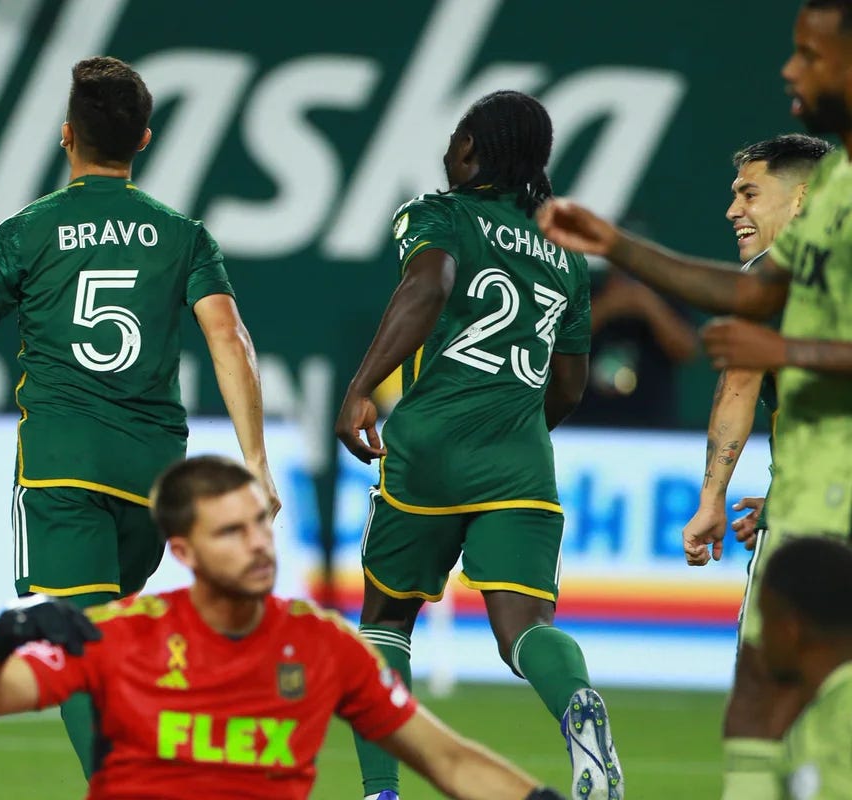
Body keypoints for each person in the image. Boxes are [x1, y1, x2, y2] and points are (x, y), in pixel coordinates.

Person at [0, 56, 280, 775]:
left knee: (77, 640)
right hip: (152, 483)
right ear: (145, 141)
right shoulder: (183, 235)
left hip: (63, 464)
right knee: (105, 636)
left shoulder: (27, 232)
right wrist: (254, 461)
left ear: (67, 136)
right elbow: (231, 340)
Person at [538, 4, 852, 798]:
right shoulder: (836, 197)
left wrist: (785, 352)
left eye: (809, 55)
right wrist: (617, 247)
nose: (790, 71)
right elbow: (750, 302)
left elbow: (761, 342)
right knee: (771, 700)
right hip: (809, 510)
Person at [0, 455, 567, 800]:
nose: (259, 546)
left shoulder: (323, 646)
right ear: (183, 552)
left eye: (261, 524)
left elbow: (450, 762)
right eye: (231, 533)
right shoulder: (123, 634)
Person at [334, 90, 623, 800]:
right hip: (521, 459)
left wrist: (362, 387)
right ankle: (577, 705)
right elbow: (570, 383)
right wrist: (513, 430)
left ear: (469, 149)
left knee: (385, 622)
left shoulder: (441, 214)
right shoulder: (565, 256)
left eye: (454, 138)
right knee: (525, 627)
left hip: (429, 449)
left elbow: (428, 283)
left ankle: (380, 791)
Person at [677, 134, 831, 800]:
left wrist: (714, 498)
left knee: (764, 690)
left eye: (749, 193)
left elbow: (740, 384)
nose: (733, 211)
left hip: (808, 526)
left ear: (801, 199)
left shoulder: (773, 273)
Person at [757, 536, 852, 800]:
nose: (759, 638)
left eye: (765, 619)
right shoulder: (823, 708)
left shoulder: (836, 723)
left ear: (790, 630)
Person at [572, 263, 697, 429]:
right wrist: (606, 306)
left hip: (651, 429)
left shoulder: (666, 301)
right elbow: (558, 345)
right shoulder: (586, 295)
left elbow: (688, 351)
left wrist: (649, 305)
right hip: (584, 427)